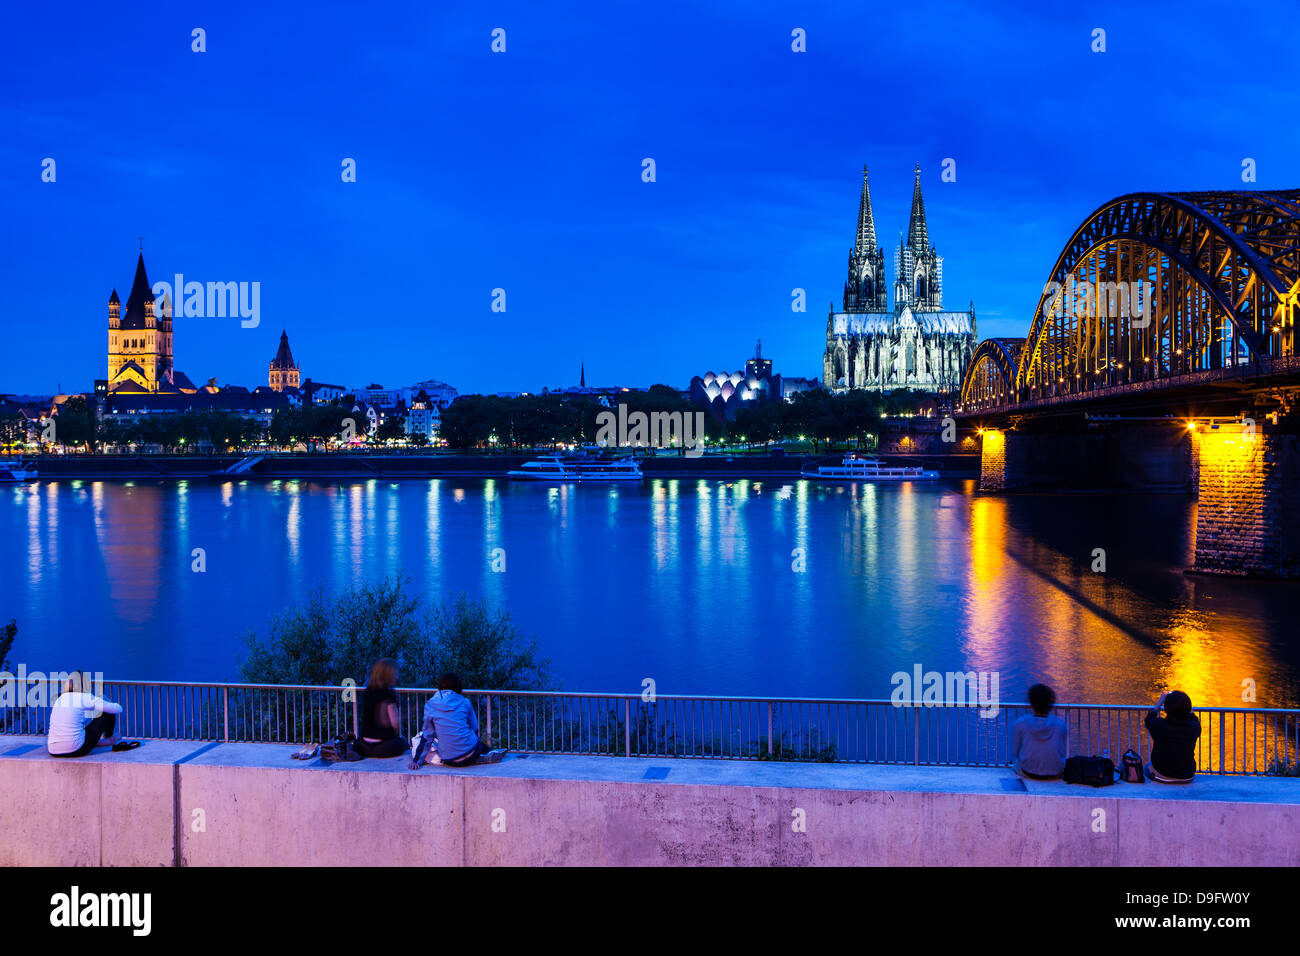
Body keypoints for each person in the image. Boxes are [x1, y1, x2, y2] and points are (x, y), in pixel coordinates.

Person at [421, 673, 504, 767]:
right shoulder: (465, 702)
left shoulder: (430, 704)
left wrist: (417, 761)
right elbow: (475, 728)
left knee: (433, 740)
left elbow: (427, 736)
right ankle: (486, 753)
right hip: (470, 754)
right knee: (476, 742)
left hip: (448, 759)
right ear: (458, 686)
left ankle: (479, 754)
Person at [47, 672, 127, 757]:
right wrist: (104, 699)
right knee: (106, 713)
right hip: (76, 750)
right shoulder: (85, 697)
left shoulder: (60, 698)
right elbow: (118, 709)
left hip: (53, 750)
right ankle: (109, 738)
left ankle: (101, 742)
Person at [353, 658, 409, 758]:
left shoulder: (367, 692)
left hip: (363, 746)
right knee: (404, 743)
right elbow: (395, 723)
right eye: (395, 674)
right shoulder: (389, 694)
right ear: (388, 675)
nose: (397, 677)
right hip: (384, 747)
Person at [1010, 683, 1068, 779]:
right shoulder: (1060, 724)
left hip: (1028, 771)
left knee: (1015, 763)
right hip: (1055, 772)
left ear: (1031, 703)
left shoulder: (1021, 723)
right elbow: (1062, 751)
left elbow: (1015, 752)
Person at [1145, 690, 1199, 783]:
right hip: (1187, 774)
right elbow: (1194, 718)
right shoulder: (1194, 727)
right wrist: (1185, 704)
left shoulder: (1159, 725)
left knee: (1147, 767)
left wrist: (1160, 701)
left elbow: (1149, 718)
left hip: (1163, 774)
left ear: (1166, 709)